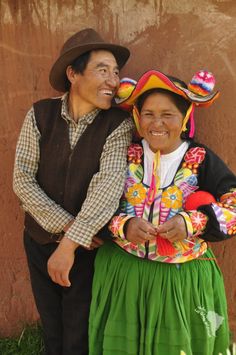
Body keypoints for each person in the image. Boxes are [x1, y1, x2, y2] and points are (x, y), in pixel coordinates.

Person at [89, 70, 236, 355]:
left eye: (167, 115)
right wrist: (124, 225)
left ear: (184, 119)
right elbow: (92, 203)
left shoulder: (201, 159)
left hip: (181, 279)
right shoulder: (124, 154)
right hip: (124, 274)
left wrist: (193, 222)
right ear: (137, 118)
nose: (157, 123)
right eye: (148, 114)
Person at [13, 28, 134, 355]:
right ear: (73, 73)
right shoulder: (40, 114)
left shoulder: (118, 125)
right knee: (52, 328)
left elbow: (106, 187)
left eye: (116, 72)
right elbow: (23, 179)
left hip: (88, 250)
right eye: (103, 70)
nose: (114, 80)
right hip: (39, 240)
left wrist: (71, 244)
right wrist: (69, 228)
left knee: (80, 333)